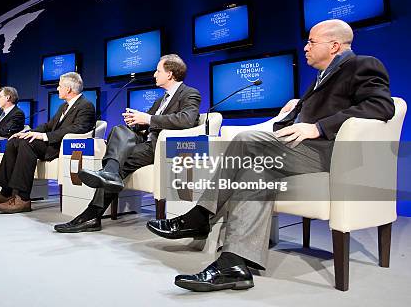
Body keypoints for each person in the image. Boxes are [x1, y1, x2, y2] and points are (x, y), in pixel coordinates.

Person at [147, 19, 395, 292]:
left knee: (244, 139)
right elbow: (297, 119)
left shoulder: (363, 65)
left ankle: (200, 216)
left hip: (329, 153)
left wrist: (318, 127)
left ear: (335, 45)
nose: (305, 47)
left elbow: (381, 106)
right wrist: (289, 117)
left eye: (312, 41)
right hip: (297, 149)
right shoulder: (322, 76)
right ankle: (234, 265)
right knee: (256, 172)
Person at [54, 54, 201, 233]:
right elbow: (147, 123)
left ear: (169, 74)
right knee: (119, 130)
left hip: (162, 147)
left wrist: (147, 118)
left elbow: (186, 120)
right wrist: (136, 121)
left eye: (158, 70)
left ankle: (92, 212)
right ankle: (108, 175)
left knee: (117, 161)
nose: (154, 74)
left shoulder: (190, 93)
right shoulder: (160, 99)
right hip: (145, 142)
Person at [0, 72, 96, 214]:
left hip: (62, 147)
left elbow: (77, 129)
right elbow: (47, 125)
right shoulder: (63, 107)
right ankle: (5, 193)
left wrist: (44, 136)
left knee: (26, 144)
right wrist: (27, 133)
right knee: (16, 140)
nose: (57, 89)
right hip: (52, 143)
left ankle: (23, 198)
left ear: (68, 89)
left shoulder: (86, 105)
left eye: (59, 86)